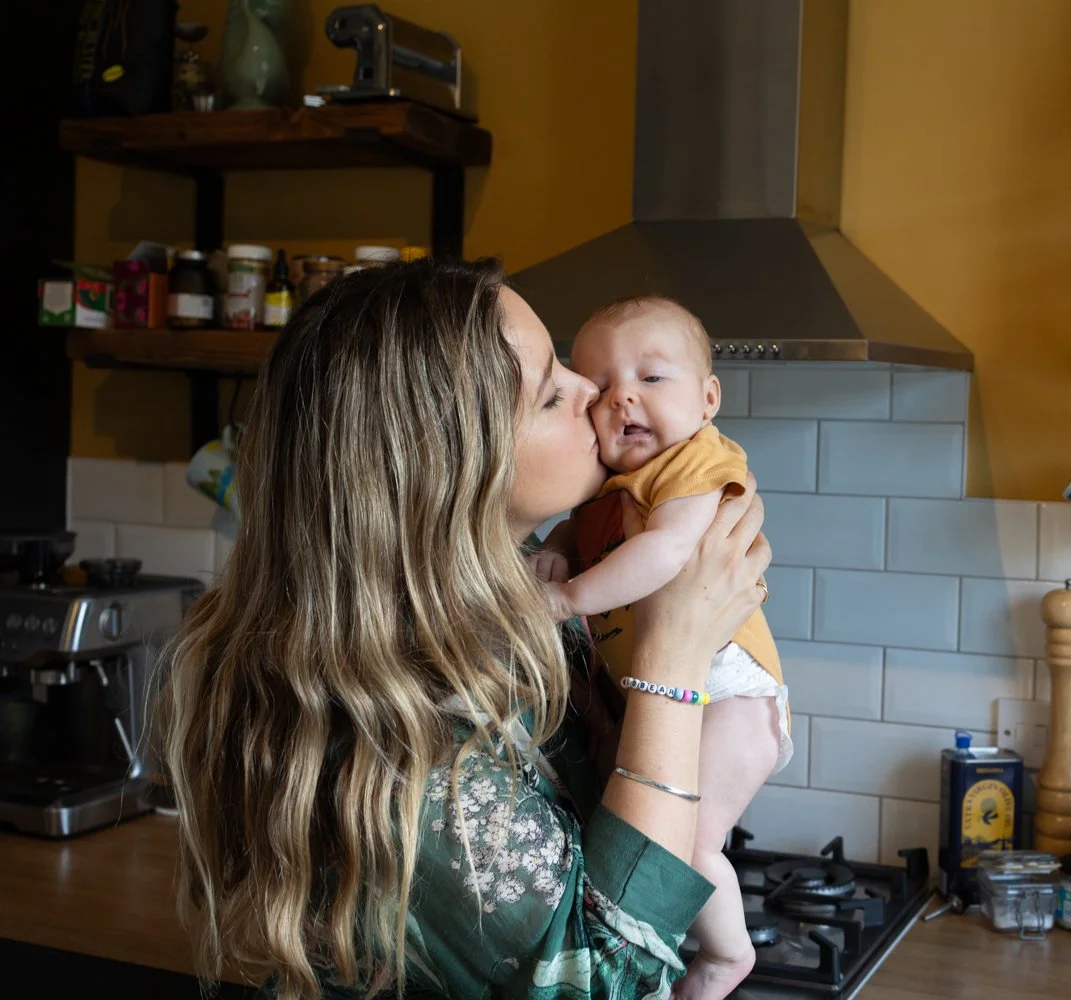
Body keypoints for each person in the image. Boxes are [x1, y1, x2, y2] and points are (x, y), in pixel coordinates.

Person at [155, 257, 772, 1000]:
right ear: (447, 466)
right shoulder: (396, 735)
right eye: (552, 391)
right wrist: (672, 661)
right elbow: (606, 983)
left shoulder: (524, 594)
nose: (595, 395)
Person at [532, 296, 789, 1000]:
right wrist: (557, 549)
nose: (622, 399)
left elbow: (669, 552)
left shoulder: (695, 463)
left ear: (708, 399)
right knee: (653, 833)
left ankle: (726, 958)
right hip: (671, 692)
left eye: (651, 377)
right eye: (598, 387)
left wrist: (564, 598)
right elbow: (583, 531)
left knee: (690, 846)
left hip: (731, 691)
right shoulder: (611, 486)